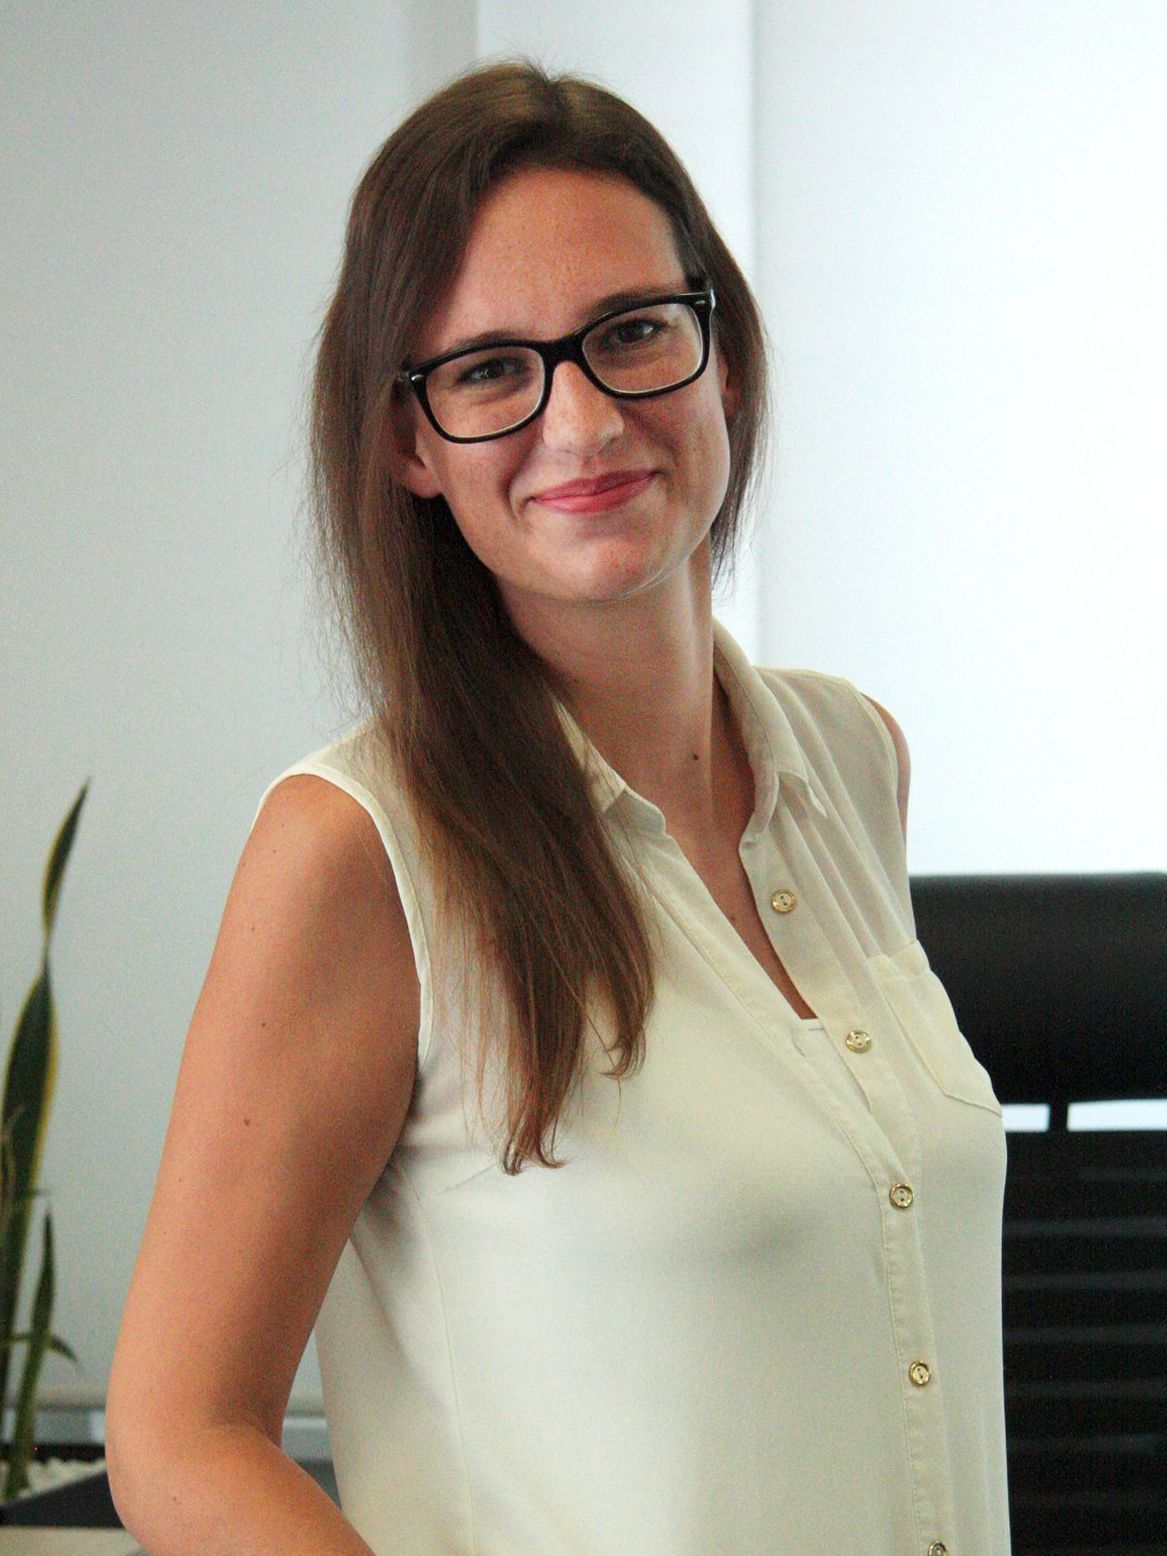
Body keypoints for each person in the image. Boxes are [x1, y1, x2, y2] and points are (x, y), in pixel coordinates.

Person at [107, 59, 1010, 1556]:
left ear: (725, 359)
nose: (583, 422)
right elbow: (179, 1438)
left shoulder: (855, 762)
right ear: (408, 444)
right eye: (489, 371)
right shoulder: (361, 848)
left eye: (633, 332)